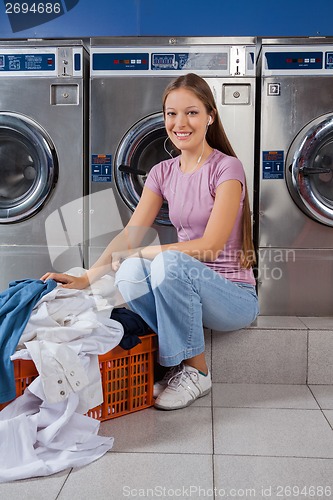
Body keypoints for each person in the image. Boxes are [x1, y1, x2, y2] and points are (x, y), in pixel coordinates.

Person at [42, 73, 259, 411]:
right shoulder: (162, 172)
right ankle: (177, 363)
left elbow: (211, 245)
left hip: (233, 297)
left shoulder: (227, 168)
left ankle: (197, 372)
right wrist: (88, 276)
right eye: (171, 113)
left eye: (191, 112)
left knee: (163, 261)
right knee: (130, 270)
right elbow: (131, 232)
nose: (180, 122)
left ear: (210, 117)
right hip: (188, 290)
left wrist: (147, 250)